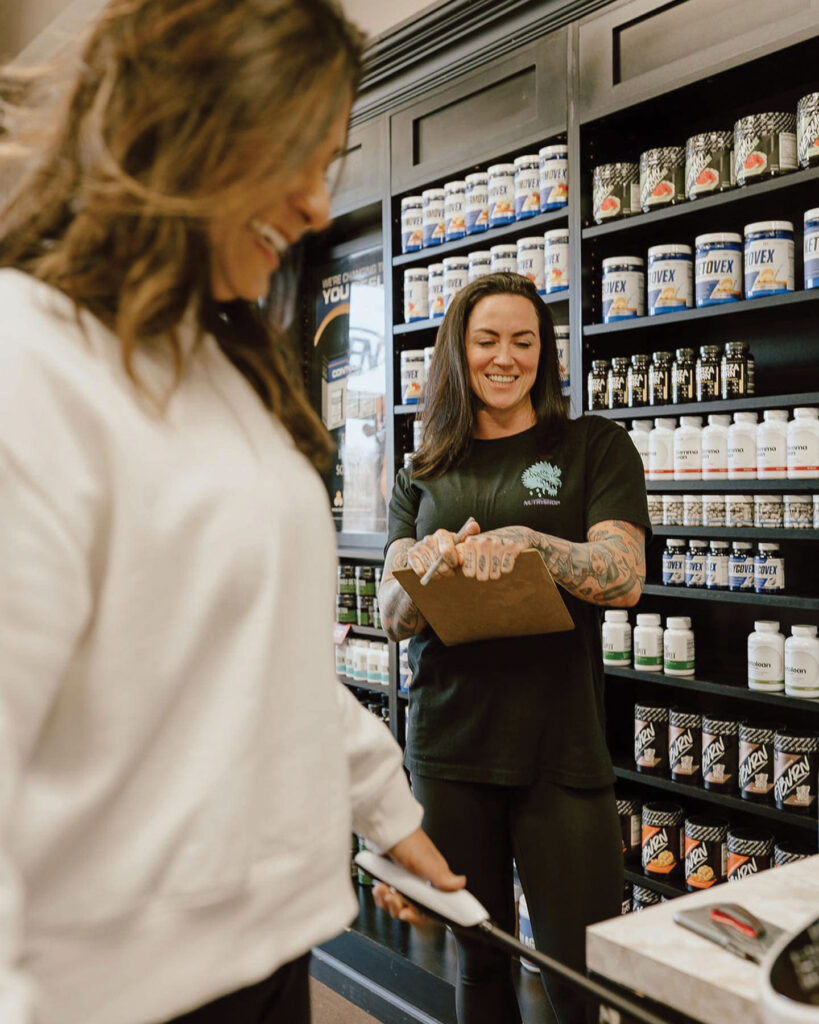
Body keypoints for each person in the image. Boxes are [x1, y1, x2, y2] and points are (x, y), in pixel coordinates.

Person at [0, 2, 464, 1022]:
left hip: (268, 952)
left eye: (331, 162)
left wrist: (389, 814)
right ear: (189, 119)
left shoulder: (220, 364)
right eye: (298, 154)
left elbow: (258, 660)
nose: (312, 205)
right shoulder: (27, 365)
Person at [378, 272, 651, 1024]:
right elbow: (391, 613)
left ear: (544, 352)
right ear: (456, 354)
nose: (506, 357)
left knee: (577, 975)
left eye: (523, 341)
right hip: (449, 746)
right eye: (487, 340)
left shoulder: (592, 444)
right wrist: (424, 566)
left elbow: (624, 578)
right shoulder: (423, 469)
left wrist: (529, 543)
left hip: (560, 747)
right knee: (480, 960)